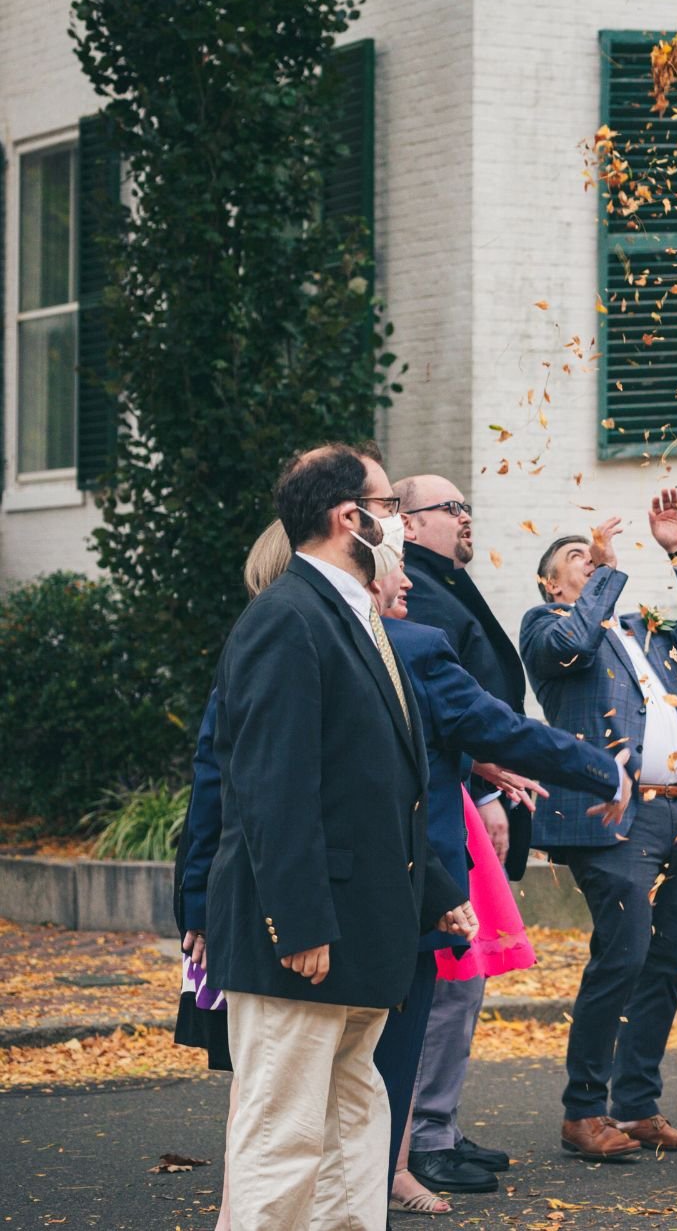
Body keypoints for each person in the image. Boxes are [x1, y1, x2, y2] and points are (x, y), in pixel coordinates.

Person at [204, 444, 472, 1230]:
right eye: (390, 508)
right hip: (303, 938)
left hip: (365, 930)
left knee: (355, 1127)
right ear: (350, 518)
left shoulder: (354, 617)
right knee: (283, 1135)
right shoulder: (284, 619)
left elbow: (378, 781)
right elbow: (272, 785)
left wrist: (436, 890)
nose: (401, 523)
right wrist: (299, 921)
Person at [371, 558, 629, 1214]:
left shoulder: (405, 625)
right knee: (403, 1007)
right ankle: (397, 1155)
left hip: (428, 834)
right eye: (395, 570)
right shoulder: (420, 637)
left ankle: (410, 1145)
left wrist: (475, 764)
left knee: (446, 986)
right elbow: (493, 721)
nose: (410, 585)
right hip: (398, 848)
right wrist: (602, 771)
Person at [520, 488, 677, 1162]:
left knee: (665, 959)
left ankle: (637, 1105)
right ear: (552, 583)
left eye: (592, 555)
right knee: (623, 953)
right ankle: (583, 1110)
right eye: (575, 556)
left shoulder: (644, 631)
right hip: (613, 814)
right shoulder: (547, 627)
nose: (589, 558)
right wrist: (605, 573)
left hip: (676, 809)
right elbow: (574, 640)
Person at [392, 474, 541, 1193]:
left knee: (466, 968)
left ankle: (437, 1122)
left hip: (466, 789)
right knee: (452, 966)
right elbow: (442, 709)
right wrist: (482, 787)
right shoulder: (413, 590)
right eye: (450, 508)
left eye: (465, 506)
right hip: (449, 796)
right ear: (408, 522)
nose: (465, 517)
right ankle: (421, 1134)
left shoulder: (439, 580)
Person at [170, 519, 296, 1231]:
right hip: (244, 896)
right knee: (260, 1075)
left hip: (245, 893)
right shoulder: (261, 649)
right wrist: (197, 909)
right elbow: (212, 787)